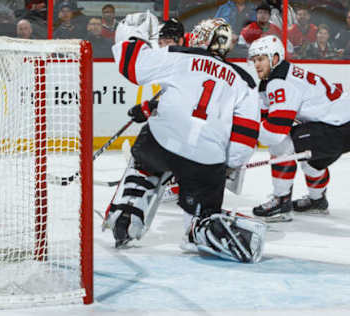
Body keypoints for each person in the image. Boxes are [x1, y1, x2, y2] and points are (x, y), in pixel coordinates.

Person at [103, 13, 265, 263]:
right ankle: (202, 227)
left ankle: (128, 210)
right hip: (205, 161)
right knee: (203, 212)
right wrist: (228, 164)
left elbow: (132, 65)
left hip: (159, 143)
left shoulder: (179, 55)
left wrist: (132, 34)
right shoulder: (245, 82)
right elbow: (245, 137)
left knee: (145, 165)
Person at [248, 35, 350, 222]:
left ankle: (281, 201)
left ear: (275, 58)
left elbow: (274, 132)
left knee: (282, 145)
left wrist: (245, 135)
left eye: (261, 59)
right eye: (254, 60)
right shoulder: (272, 79)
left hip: (338, 127)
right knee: (309, 159)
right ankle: (317, 201)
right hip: (338, 126)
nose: (257, 65)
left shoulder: (280, 81)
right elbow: (263, 116)